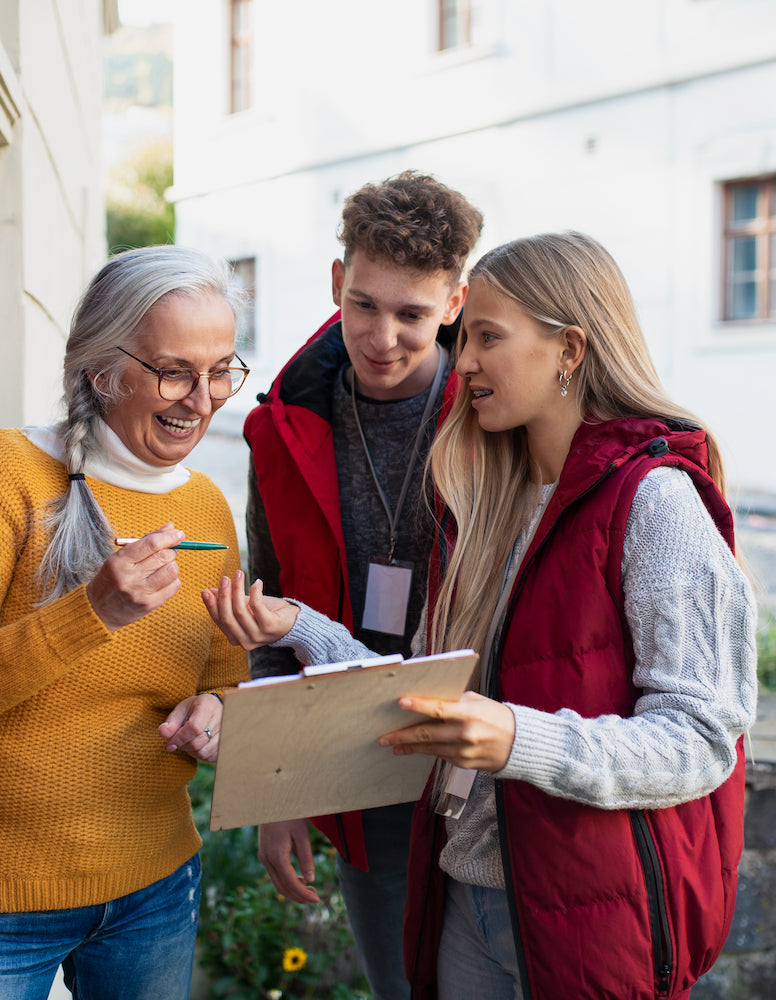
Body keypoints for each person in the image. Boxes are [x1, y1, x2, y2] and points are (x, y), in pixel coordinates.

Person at [207, 231, 757, 999]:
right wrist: (298, 625)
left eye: (486, 338)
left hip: (587, 915)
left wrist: (513, 737)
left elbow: (702, 739)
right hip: (464, 897)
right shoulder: (485, 501)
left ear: (570, 349)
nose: (460, 362)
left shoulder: (658, 504)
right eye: (466, 339)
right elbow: (419, 691)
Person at [0, 245, 252, 1000]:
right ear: (102, 370)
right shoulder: (6, 473)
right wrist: (92, 613)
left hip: (154, 887)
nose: (204, 397)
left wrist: (216, 713)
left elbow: (225, 678)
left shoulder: (208, 508)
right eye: (175, 371)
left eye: (221, 369)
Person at [242, 170, 483, 999]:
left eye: (412, 314)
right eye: (365, 306)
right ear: (338, 283)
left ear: (455, 302)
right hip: (360, 759)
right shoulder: (283, 427)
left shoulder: (497, 418)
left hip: (490, 761)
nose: (383, 337)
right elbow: (268, 619)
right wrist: (282, 791)